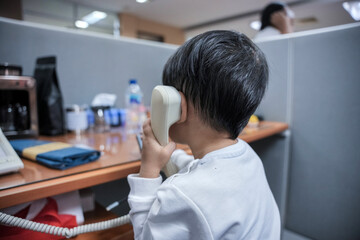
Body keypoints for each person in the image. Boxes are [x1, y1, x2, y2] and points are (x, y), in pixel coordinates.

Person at [127, 30, 280, 240]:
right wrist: (168, 157)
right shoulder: (247, 156)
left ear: (177, 105)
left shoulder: (182, 195)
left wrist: (149, 169)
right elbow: (201, 168)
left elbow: (144, 236)